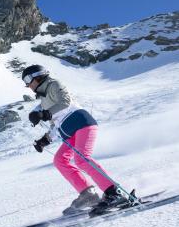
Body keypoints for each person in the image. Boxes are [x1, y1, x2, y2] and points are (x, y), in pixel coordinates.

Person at [21, 64, 128, 214]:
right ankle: (88, 194)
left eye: (27, 80)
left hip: (82, 123)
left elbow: (64, 102)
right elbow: (56, 123)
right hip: (69, 132)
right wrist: (45, 140)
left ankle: (114, 192)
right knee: (60, 160)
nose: (27, 85)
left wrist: (45, 114)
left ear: (37, 76)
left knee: (82, 159)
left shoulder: (54, 84)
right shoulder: (44, 99)